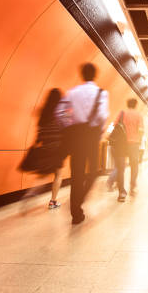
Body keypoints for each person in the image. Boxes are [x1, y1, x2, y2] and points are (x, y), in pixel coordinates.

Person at [56, 63, 108, 225]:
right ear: (95, 75)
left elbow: (60, 113)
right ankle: (80, 199)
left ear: (82, 74)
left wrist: (69, 126)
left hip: (77, 135)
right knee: (93, 171)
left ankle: (76, 213)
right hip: (92, 136)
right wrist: (99, 133)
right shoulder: (102, 93)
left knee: (77, 174)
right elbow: (102, 116)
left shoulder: (72, 92)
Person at [20, 88, 65, 209]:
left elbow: (39, 132)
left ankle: (32, 192)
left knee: (44, 173)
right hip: (57, 147)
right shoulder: (59, 113)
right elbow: (63, 130)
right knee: (58, 174)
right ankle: (53, 201)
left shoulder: (43, 113)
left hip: (45, 146)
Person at [113, 99, 143, 198]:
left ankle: (121, 192)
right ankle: (132, 187)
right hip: (134, 144)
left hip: (121, 143)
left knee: (120, 168)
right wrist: (139, 140)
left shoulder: (122, 113)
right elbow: (141, 130)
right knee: (134, 166)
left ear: (127, 104)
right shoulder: (139, 115)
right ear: (135, 105)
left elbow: (114, 125)